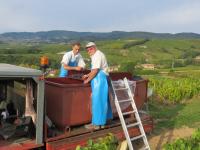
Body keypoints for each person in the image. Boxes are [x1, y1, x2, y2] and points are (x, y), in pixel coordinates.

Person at [83, 42, 113, 130]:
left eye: (90, 49)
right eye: (88, 50)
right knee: (103, 101)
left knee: (97, 101)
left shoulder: (97, 55)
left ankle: (96, 124)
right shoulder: (97, 54)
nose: (89, 51)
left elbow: (96, 71)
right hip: (100, 79)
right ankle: (104, 121)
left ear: (94, 47)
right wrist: (88, 75)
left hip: (100, 80)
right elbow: (94, 70)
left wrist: (87, 80)